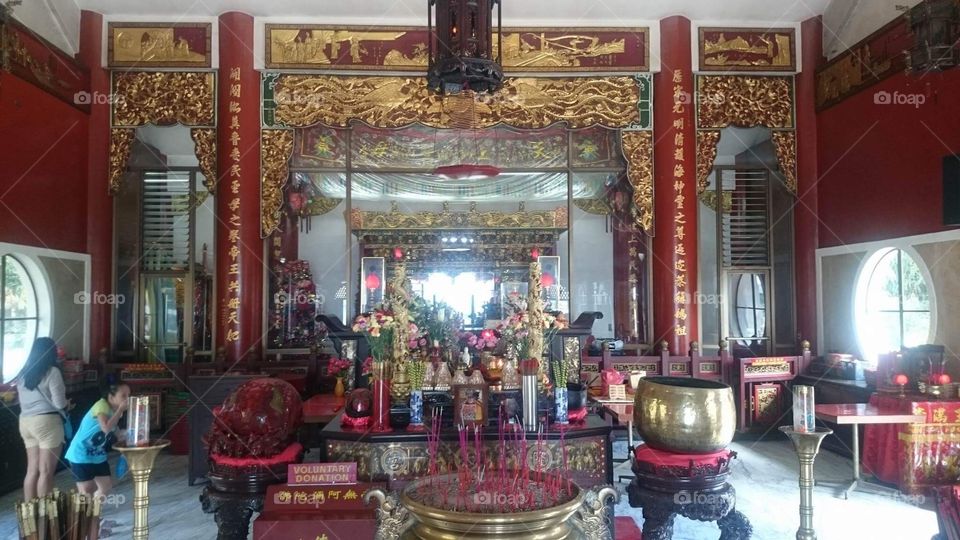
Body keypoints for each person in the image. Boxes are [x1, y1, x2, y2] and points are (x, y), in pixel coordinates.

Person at [16, 337, 69, 500]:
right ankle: (44, 515)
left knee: (32, 470)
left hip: (25, 422)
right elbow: (59, 403)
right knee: (45, 471)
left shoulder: (23, 373)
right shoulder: (52, 372)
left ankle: (29, 515)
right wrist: (68, 404)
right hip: (47, 423)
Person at [65, 381, 129, 501]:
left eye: (128, 395)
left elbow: (116, 433)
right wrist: (120, 410)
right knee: (86, 490)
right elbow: (105, 428)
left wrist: (128, 434)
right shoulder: (102, 405)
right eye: (123, 396)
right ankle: (85, 518)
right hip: (80, 453)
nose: (127, 399)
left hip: (97, 455)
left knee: (105, 487)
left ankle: (94, 517)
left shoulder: (115, 413)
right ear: (111, 397)